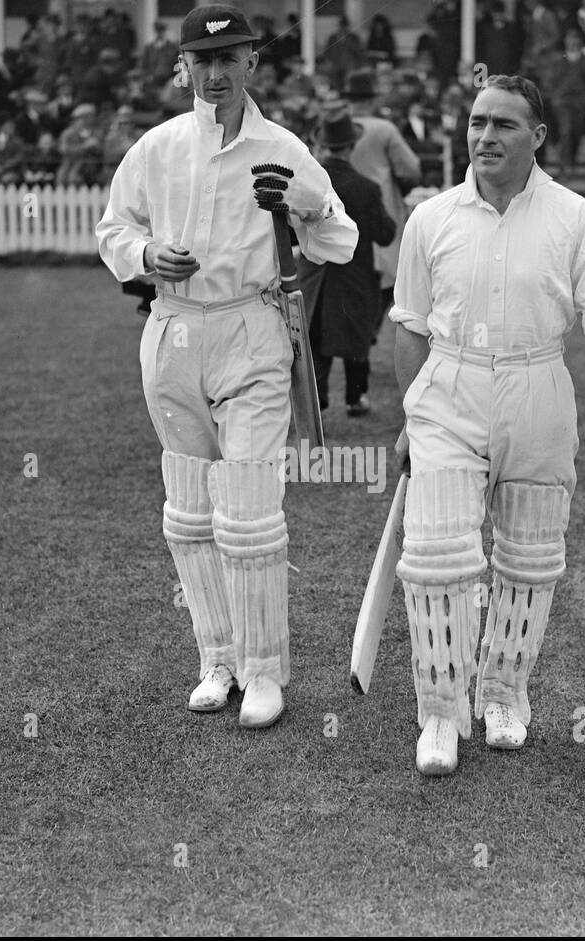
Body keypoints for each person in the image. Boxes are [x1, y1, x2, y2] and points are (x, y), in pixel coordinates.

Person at [95, 5, 357, 729]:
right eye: (201, 62)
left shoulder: (281, 147)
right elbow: (115, 227)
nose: (215, 74)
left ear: (251, 64)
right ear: (184, 67)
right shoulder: (157, 147)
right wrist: (148, 258)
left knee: (248, 507)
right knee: (189, 510)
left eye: (229, 59)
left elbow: (341, 241)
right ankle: (217, 657)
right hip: (175, 327)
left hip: (252, 326)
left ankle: (265, 670)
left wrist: (304, 203)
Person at [390, 74, 585, 775]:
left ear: (539, 136)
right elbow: (408, 326)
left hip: (538, 387)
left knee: (529, 560)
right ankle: (439, 714)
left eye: (502, 124)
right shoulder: (431, 218)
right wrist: (413, 412)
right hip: (450, 385)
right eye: (476, 122)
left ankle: (503, 693)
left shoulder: (572, 216)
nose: (485, 135)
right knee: (436, 559)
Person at [297, 105, 396, 417]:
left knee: (314, 334)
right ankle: (355, 398)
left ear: (322, 145)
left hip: (314, 272)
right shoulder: (366, 188)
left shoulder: (309, 184)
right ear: (352, 146)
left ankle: (318, 395)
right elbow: (385, 233)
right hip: (355, 273)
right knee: (356, 338)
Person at [344, 68, 422, 393]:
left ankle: (360, 336)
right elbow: (411, 169)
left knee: (354, 278)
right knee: (387, 280)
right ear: (373, 99)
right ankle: (368, 331)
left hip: (342, 211)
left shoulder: (335, 126)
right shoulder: (385, 128)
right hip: (380, 210)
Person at [545, 27, 585, 178]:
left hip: (580, 103)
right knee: (566, 131)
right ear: (566, 42)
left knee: (577, 133)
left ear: (580, 42)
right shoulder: (559, 60)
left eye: (576, 39)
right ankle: (565, 166)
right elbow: (551, 81)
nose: (573, 42)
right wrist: (556, 97)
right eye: (570, 39)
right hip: (562, 103)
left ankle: (571, 162)